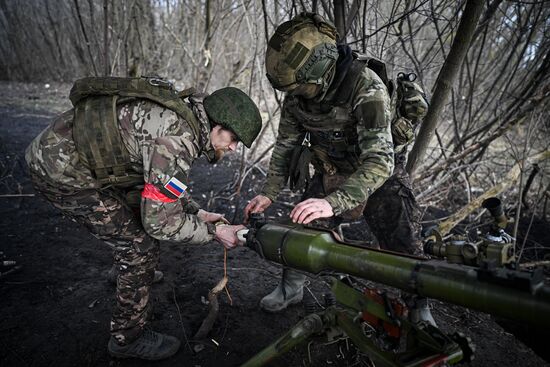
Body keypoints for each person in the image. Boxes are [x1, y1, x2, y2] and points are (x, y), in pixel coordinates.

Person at [25, 76, 262, 360]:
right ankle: (127, 339)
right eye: (233, 139)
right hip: (60, 171)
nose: (234, 148)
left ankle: (127, 273)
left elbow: (161, 182)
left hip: (71, 155)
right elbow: (160, 223)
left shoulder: (184, 119)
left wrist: (198, 212)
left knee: (137, 222)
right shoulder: (178, 140)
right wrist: (214, 233)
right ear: (216, 126)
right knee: (141, 246)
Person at [244, 13, 433, 324]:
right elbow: (286, 146)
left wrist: (331, 203)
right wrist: (269, 193)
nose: (296, 95)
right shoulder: (296, 100)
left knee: (403, 241)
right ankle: (292, 288)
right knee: (303, 223)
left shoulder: (366, 87)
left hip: (378, 173)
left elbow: (380, 160)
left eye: (301, 87)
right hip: (331, 168)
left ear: (319, 71)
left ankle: (418, 308)